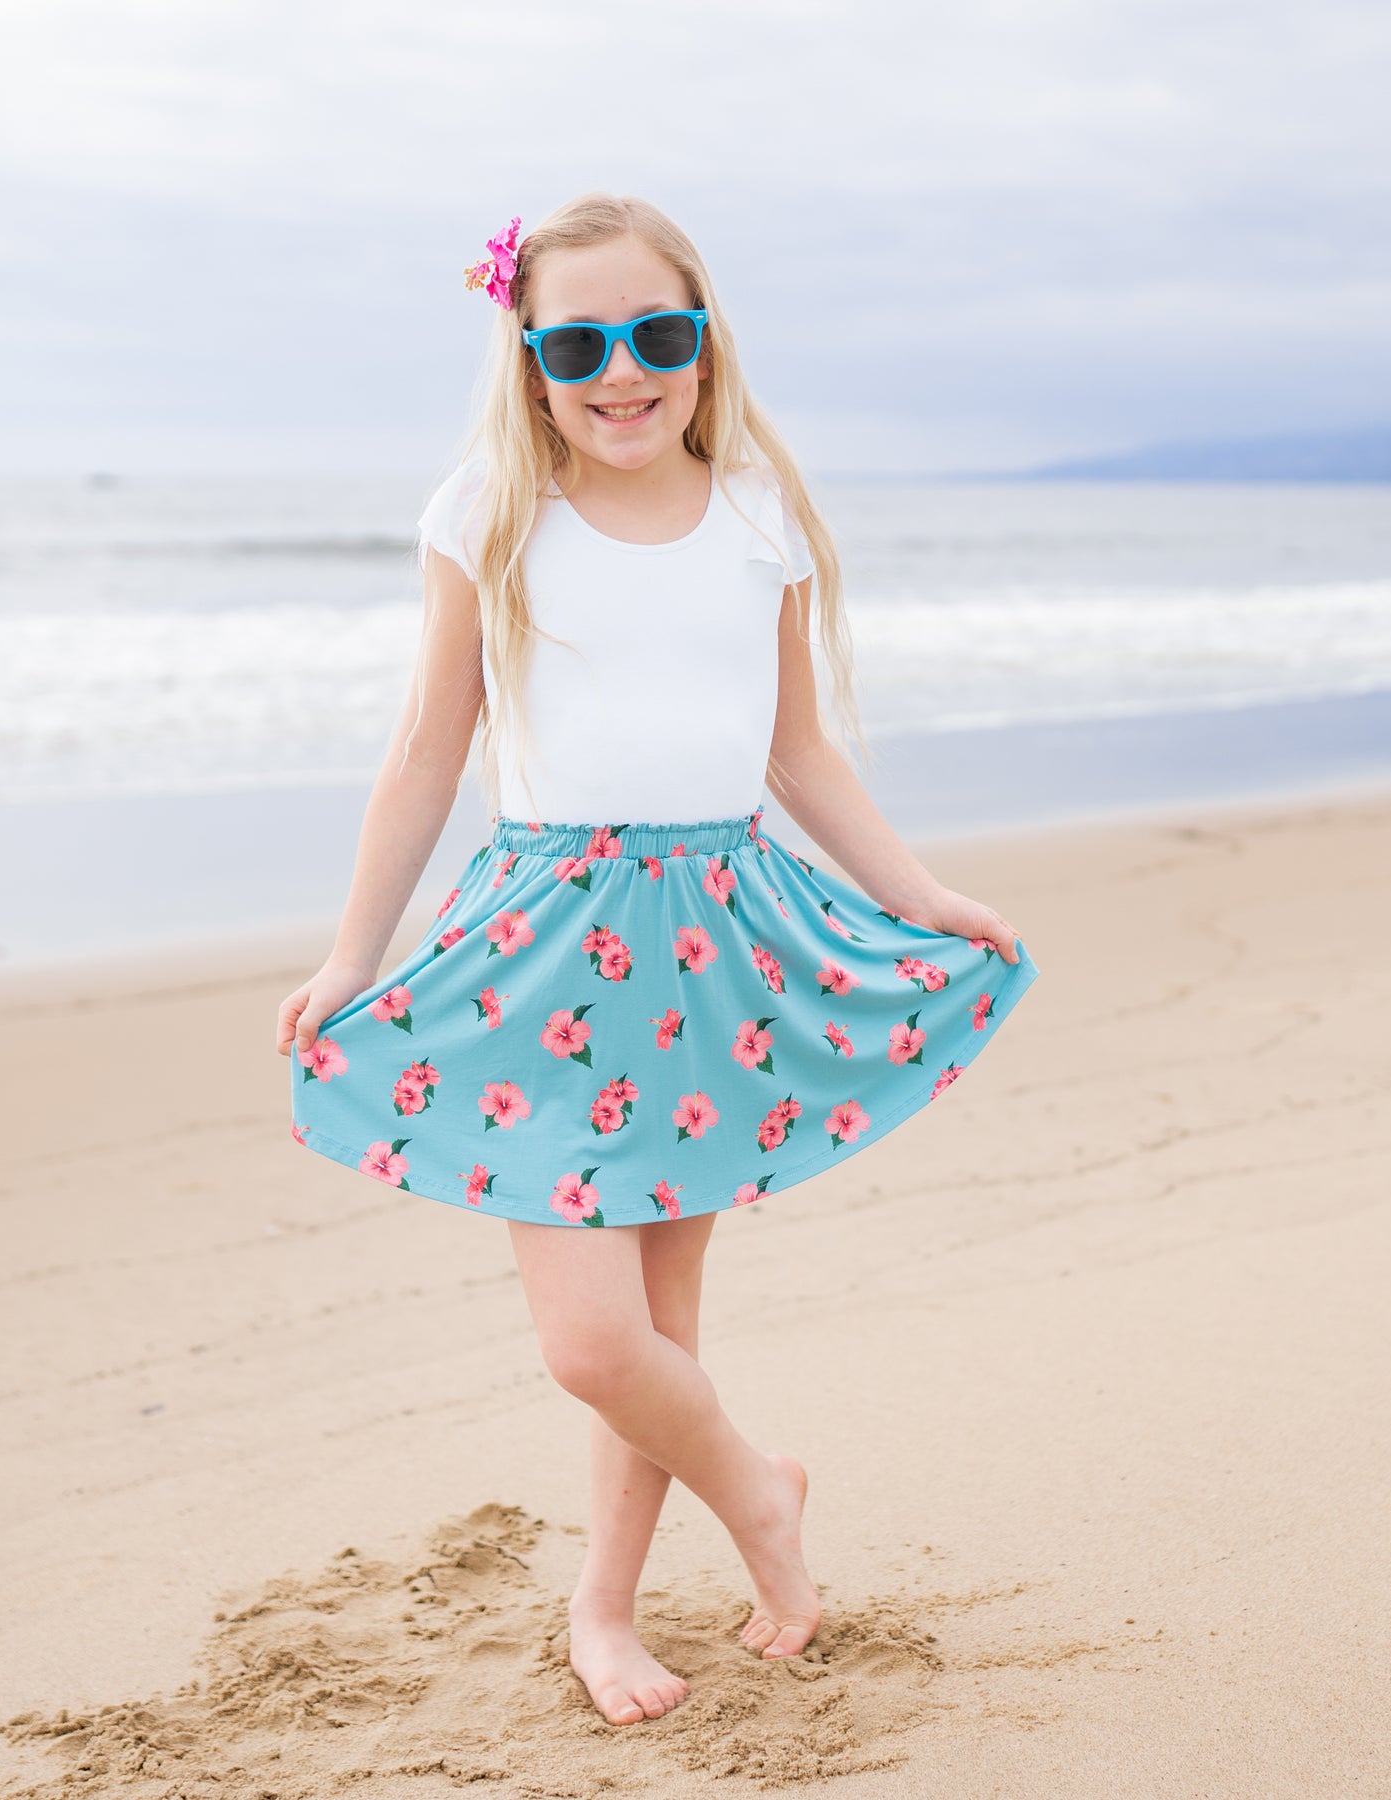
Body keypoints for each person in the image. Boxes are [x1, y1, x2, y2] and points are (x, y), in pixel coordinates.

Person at [275, 192, 1038, 1727]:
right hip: (540, 950)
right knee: (594, 1342)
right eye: (578, 343)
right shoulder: (486, 509)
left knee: (660, 1335)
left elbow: (799, 752)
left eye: (656, 335)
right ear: (531, 355)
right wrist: (357, 952)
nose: (621, 372)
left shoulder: (758, 511)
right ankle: (761, 1491)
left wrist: (921, 889)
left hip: (717, 947)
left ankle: (604, 1612)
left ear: (703, 342)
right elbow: (432, 747)